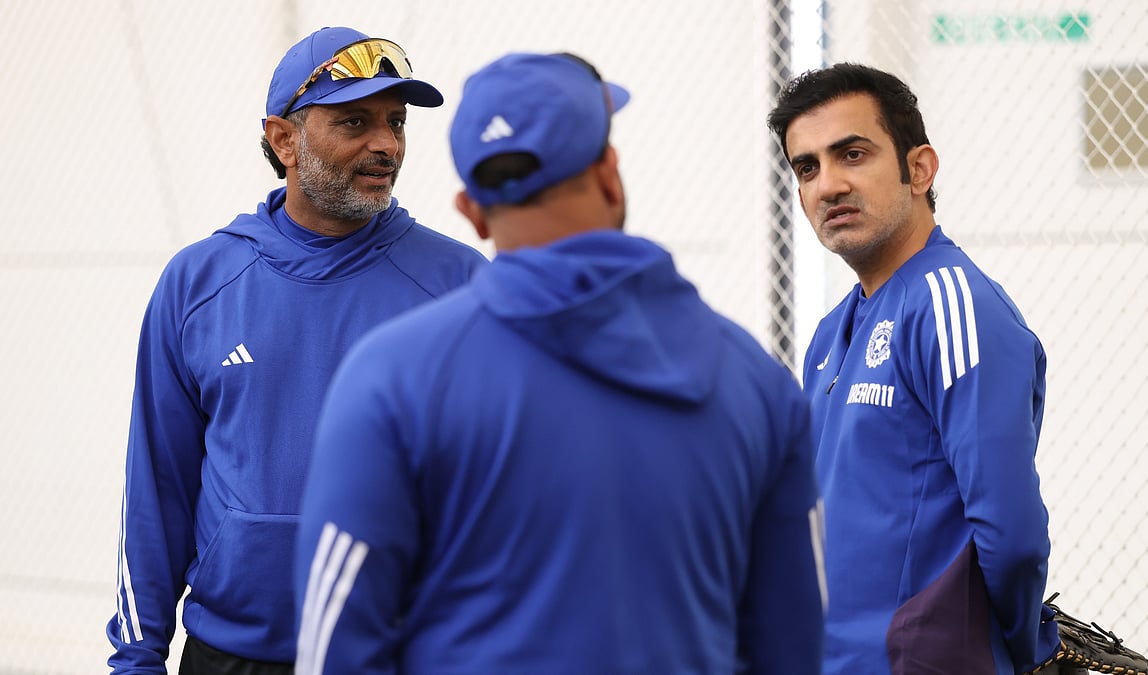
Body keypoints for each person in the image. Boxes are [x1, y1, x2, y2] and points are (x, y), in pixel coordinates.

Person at [292, 51, 826, 674]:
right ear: (609, 172)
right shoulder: (755, 382)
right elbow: (794, 642)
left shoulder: (392, 378)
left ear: (472, 211)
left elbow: (336, 647)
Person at [106, 26, 486, 674]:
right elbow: (157, 489)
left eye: (396, 122)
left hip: (397, 656)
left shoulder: (461, 287)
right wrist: (136, 659)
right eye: (355, 121)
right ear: (284, 139)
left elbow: (495, 499)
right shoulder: (197, 284)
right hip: (229, 655)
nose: (387, 144)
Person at [767, 62, 1063, 674]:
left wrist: (1014, 650)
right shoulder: (828, 335)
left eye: (853, 154)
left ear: (919, 168)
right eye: (808, 167)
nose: (828, 185)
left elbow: (1010, 533)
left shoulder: (953, 305)